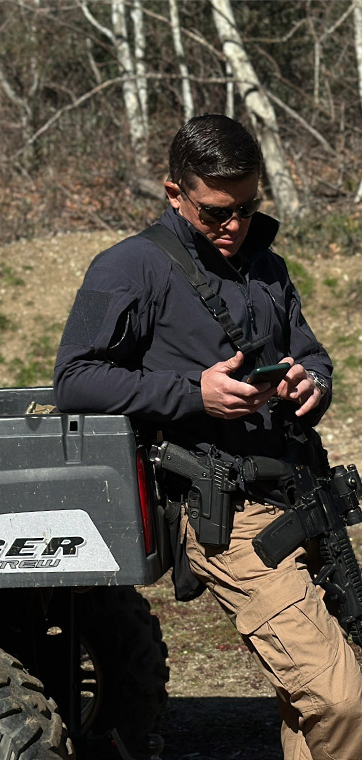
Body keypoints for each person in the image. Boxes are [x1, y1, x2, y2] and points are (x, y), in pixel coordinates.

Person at [54, 114, 362, 759]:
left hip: (303, 499)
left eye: (248, 208)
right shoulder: (129, 268)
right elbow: (75, 381)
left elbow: (312, 354)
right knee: (340, 697)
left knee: (315, 694)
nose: (234, 226)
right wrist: (193, 393)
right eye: (216, 212)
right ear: (175, 194)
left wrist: (314, 384)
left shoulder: (266, 265)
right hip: (227, 512)